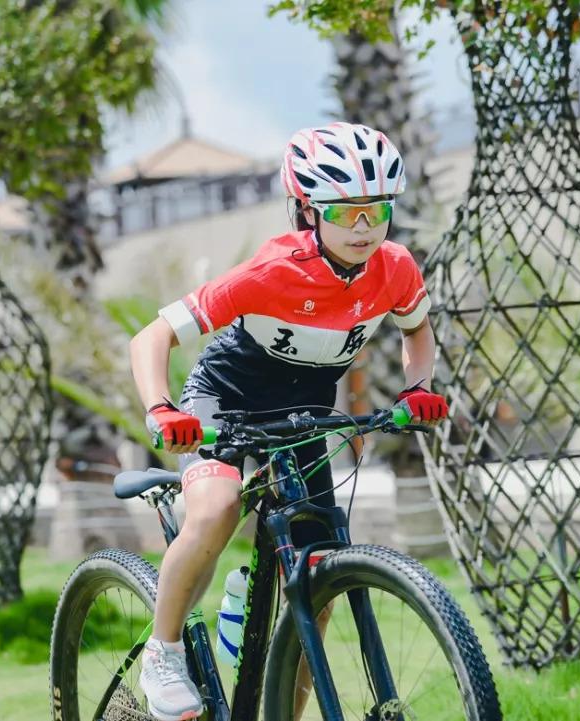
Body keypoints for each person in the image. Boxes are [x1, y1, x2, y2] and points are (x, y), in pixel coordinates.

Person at [129, 121, 449, 721]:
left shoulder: (396, 267)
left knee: (318, 581)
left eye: (376, 210)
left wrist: (418, 386)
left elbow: (418, 330)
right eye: (345, 211)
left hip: (304, 416)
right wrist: (161, 409)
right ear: (307, 211)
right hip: (225, 401)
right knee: (217, 509)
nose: (364, 227)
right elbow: (152, 336)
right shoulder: (272, 272)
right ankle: (163, 652)